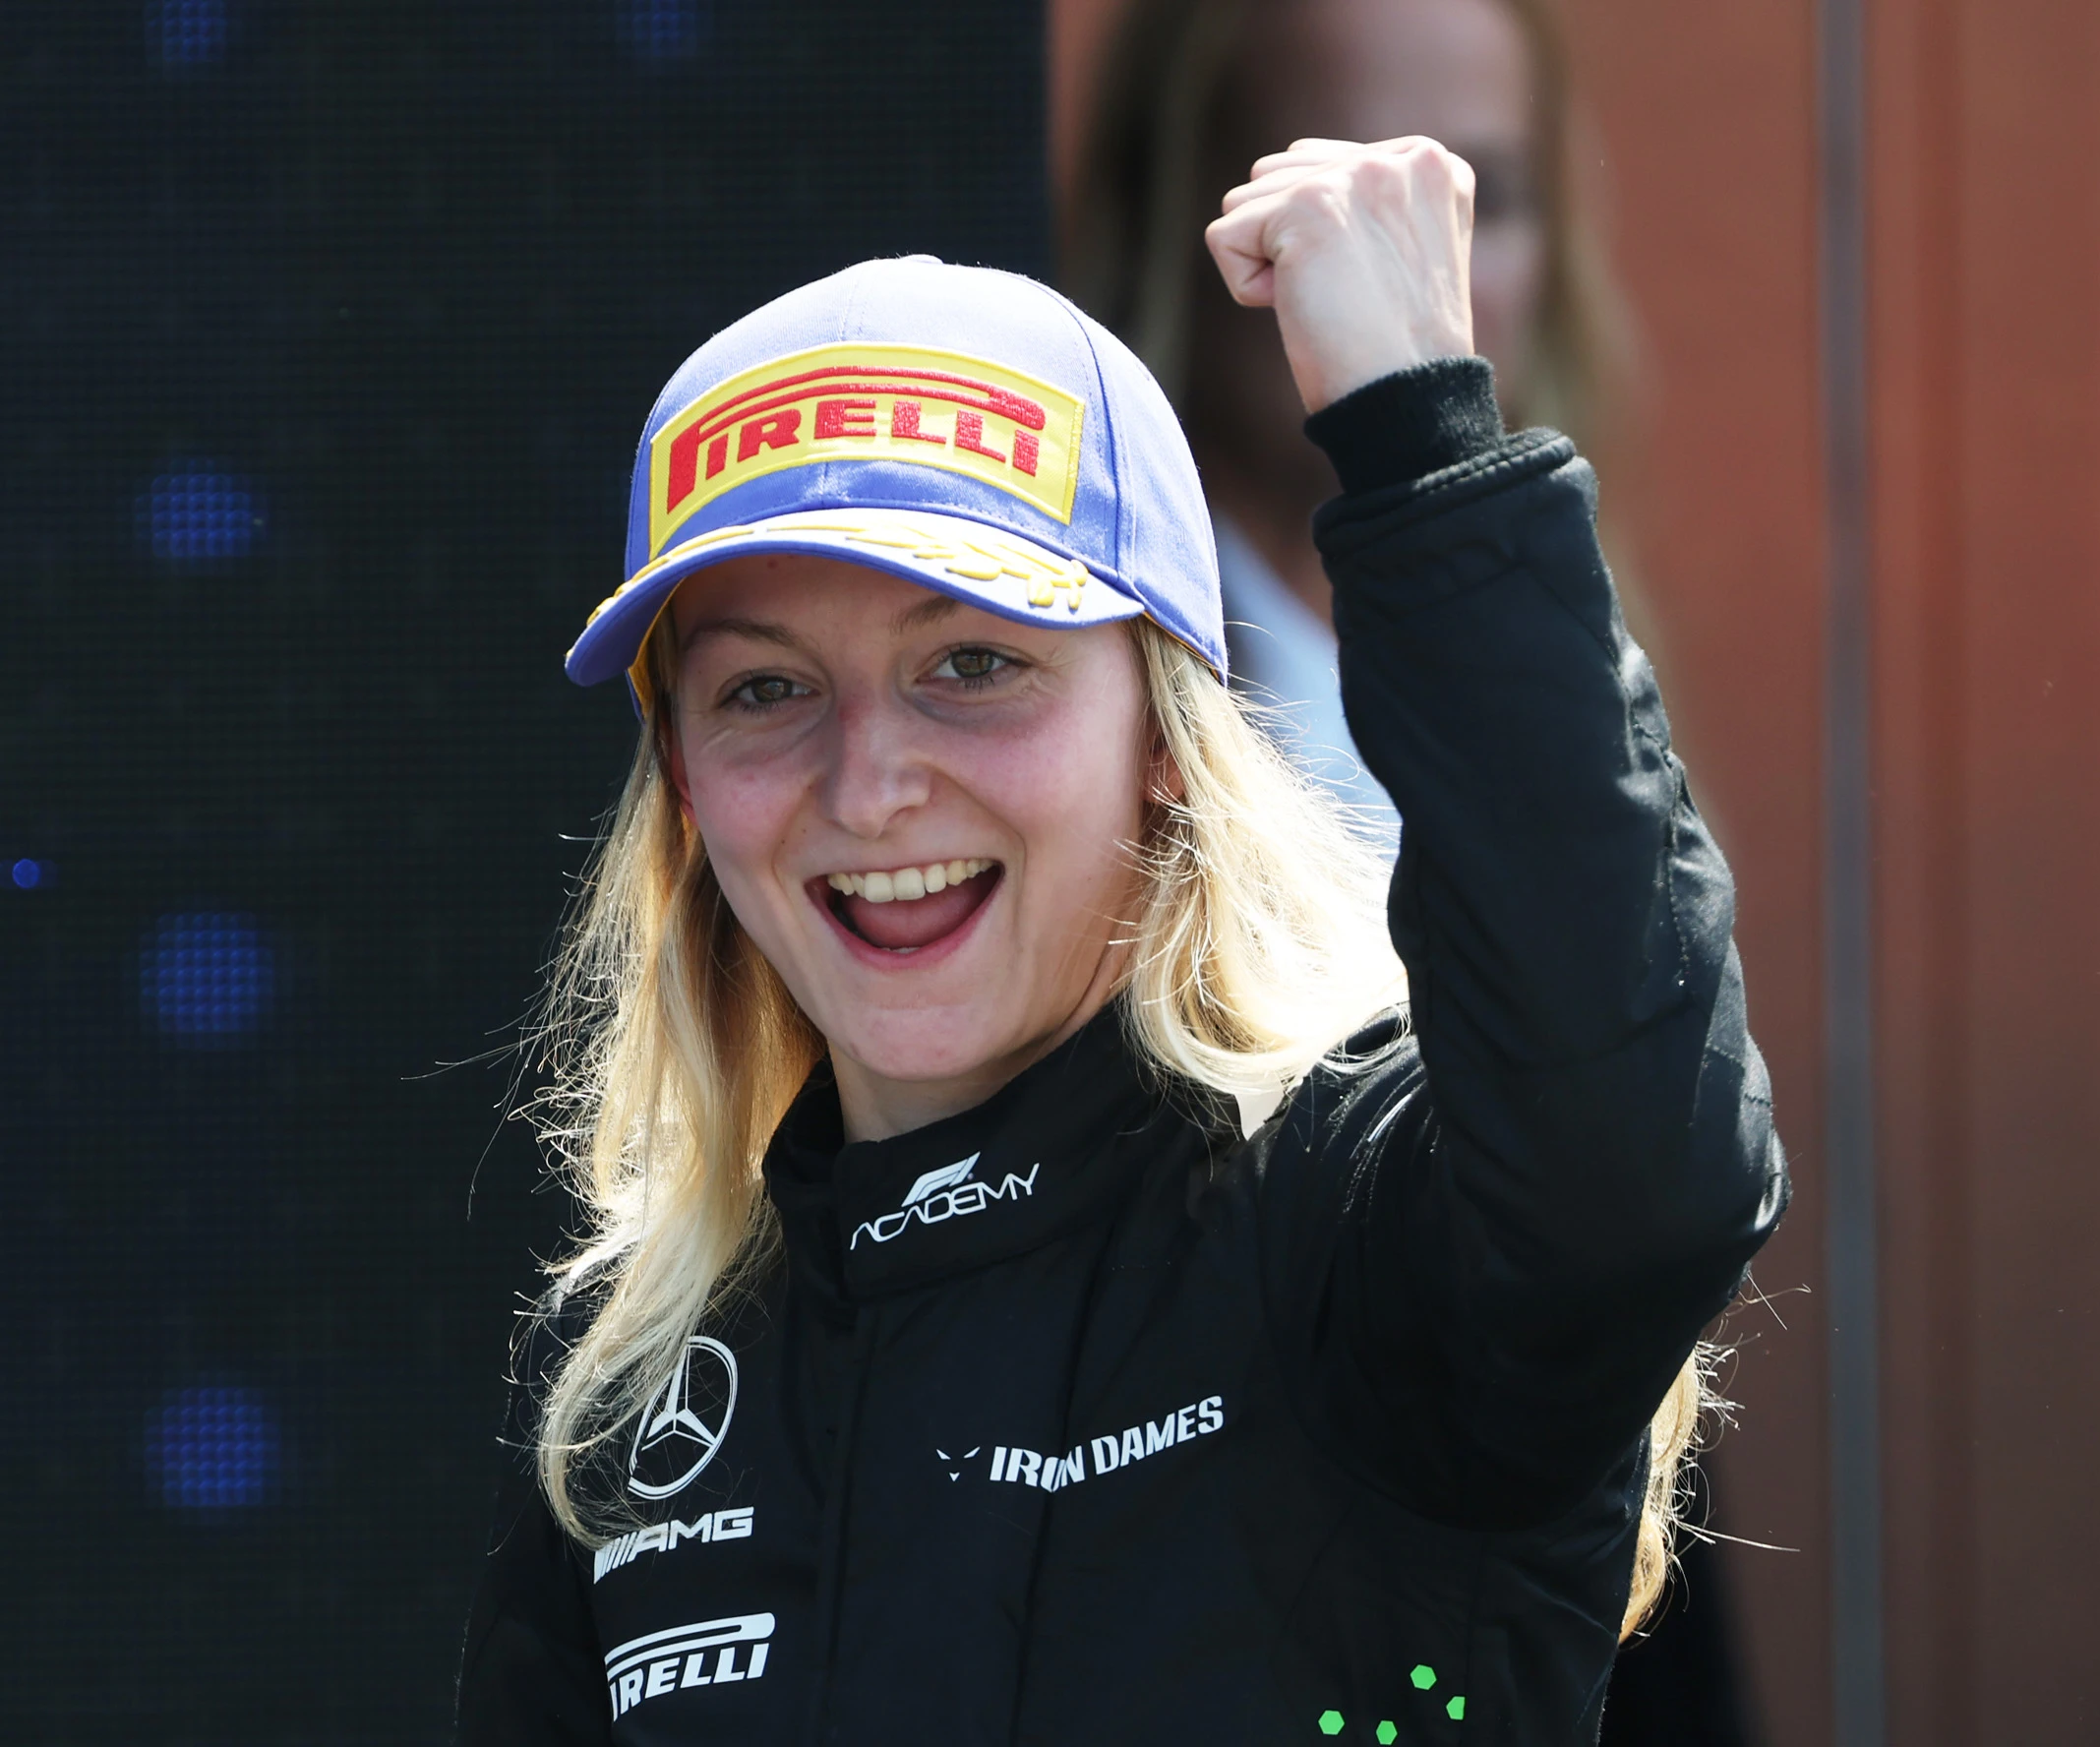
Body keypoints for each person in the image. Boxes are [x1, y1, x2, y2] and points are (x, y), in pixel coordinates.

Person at [455, 137, 1783, 1744]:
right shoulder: (640, 1403)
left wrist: (1427, 440)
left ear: (1162, 731)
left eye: (972, 663)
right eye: (763, 688)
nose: (868, 785)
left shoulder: (1349, 1237)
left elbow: (1631, 1157)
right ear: (684, 786)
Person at [1061, 0, 1635, 835]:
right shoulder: (1071, 703)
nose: (1420, 264)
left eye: (1482, 198)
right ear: (1170, 225)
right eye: (1338, 196)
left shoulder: (1579, 662)